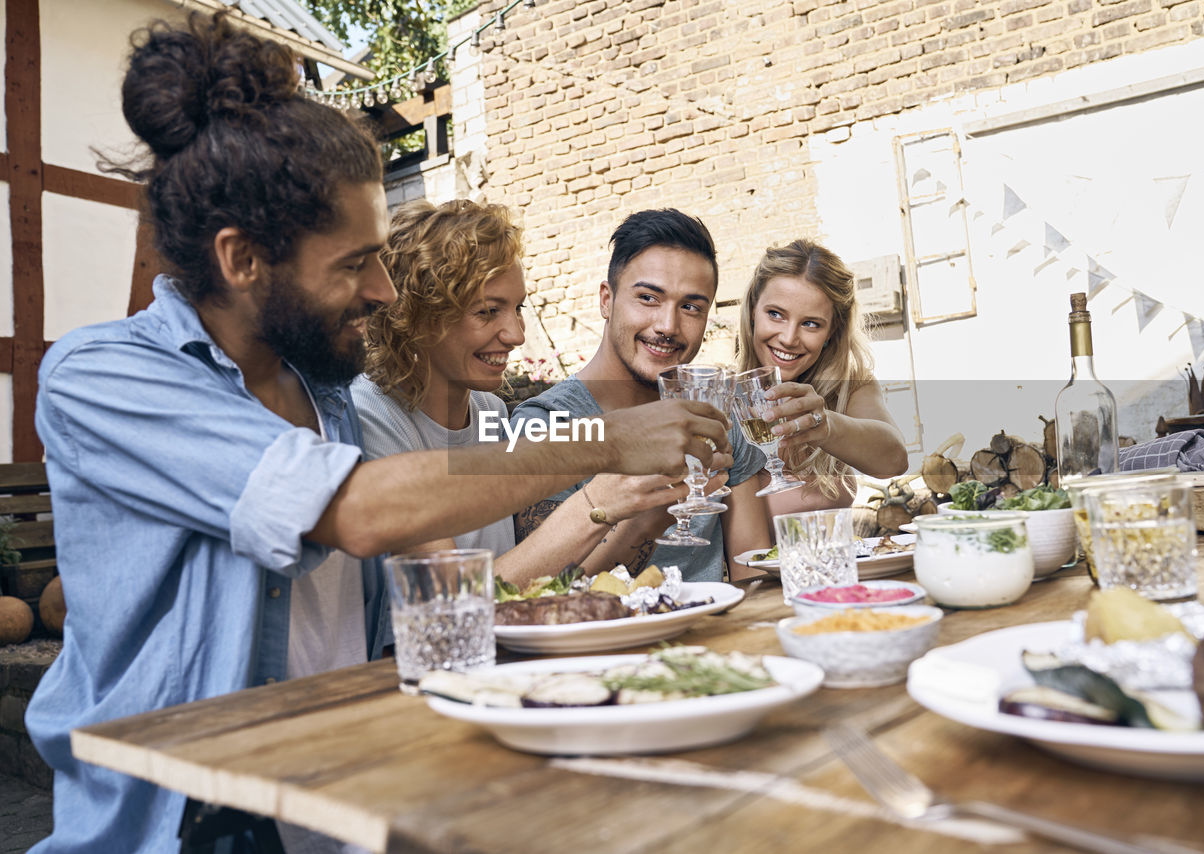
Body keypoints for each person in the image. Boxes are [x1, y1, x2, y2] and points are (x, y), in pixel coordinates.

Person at [26, 15, 726, 853]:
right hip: (181, 827)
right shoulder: (101, 377)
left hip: (345, 804)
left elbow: (427, 606)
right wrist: (608, 445)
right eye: (355, 263)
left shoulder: (321, 391)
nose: (387, 291)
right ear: (243, 258)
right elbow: (349, 510)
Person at [353, 199, 705, 585]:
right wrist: (600, 502)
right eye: (487, 311)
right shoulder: (371, 417)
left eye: (518, 308)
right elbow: (455, 596)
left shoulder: (487, 410)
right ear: (418, 315)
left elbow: (527, 577)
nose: (516, 335)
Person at [511, 209, 772, 582]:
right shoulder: (544, 424)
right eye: (648, 298)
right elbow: (544, 593)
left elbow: (752, 576)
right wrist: (647, 516)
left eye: (691, 307)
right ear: (606, 299)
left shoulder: (716, 418)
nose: (668, 325)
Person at [735, 239, 909, 516]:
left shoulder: (848, 388)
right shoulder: (722, 396)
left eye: (810, 323)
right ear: (753, 311)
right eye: (776, 314)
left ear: (832, 332)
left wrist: (826, 426)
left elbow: (894, 460)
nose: (789, 338)